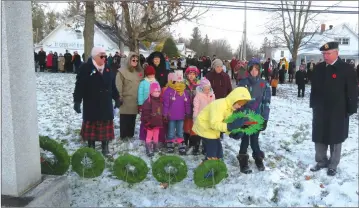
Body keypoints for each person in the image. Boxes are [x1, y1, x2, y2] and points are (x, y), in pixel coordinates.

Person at [310, 42, 358, 176]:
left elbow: (352, 91)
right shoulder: (319, 68)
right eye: (324, 53)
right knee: (319, 135)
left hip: (338, 110)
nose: (325, 56)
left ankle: (333, 164)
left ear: (337, 53)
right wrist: (313, 104)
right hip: (320, 109)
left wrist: (351, 109)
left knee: (335, 137)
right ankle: (321, 161)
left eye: (328, 53)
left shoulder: (346, 69)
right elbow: (314, 88)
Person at [73, 47, 121, 155]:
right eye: (101, 56)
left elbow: (112, 86)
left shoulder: (108, 69)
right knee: (92, 125)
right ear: (94, 56)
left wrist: (117, 98)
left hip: (105, 103)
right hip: (91, 103)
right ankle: (91, 147)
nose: (104, 58)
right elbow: (79, 86)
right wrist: (77, 101)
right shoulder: (85, 68)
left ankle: (105, 147)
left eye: (105, 56)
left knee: (105, 125)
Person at [192, 87, 252, 160]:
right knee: (213, 154)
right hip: (205, 128)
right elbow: (214, 124)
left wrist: (232, 133)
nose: (239, 107)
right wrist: (230, 126)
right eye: (239, 104)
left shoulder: (229, 108)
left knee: (218, 153)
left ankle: (214, 167)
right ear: (234, 99)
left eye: (241, 105)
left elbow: (224, 124)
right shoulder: (220, 105)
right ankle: (208, 169)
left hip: (212, 130)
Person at [236, 63, 271, 173]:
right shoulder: (243, 83)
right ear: (249, 70)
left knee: (255, 140)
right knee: (245, 139)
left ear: (259, 71)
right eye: (252, 69)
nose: (254, 71)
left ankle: (258, 158)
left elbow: (266, 102)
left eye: (256, 69)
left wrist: (265, 118)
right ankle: (243, 160)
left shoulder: (264, 84)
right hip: (245, 116)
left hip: (257, 117)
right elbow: (237, 100)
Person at [116, 52, 144, 139]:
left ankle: (130, 134)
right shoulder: (122, 71)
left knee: (132, 118)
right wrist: (119, 96)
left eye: (136, 60)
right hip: (126, 99)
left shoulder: (140, 71)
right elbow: (118, 85)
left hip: (135, 99)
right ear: (129, 60)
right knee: (125, 118)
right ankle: (124, 135)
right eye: (133, 60)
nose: (135, 61)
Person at [162, 70, 191, 154]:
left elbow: (187, 103)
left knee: (180, 130)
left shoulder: (184, 92)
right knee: (171, 130)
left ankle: (180, 143)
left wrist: (188, 112)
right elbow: (166, 104)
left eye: (180, 81)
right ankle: (170, 142)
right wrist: (165, 113)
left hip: (181, 115)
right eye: (176, 81)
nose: (178, 83)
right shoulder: (169, 91)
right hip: (171, 115)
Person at [192, 78, 215, 155]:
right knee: (198, 134)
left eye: (208, 89)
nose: (207, 91)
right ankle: (196, 147)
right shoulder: (198, 96)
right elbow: (196, 107)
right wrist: (195, 116)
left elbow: (214, 106)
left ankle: (205, 148)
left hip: (208, 118)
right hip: (200, 118)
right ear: (202, 89)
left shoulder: (212, 95)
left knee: (206, 134)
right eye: (205, 89)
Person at [141, 82, 163, 157]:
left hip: (157, 123)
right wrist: (147, 122)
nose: (157, 93)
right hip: (150, 124)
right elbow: (145, 113)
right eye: (155, 91)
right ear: (151, 92)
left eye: (158, 91)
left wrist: (162, 118)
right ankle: (148, 148)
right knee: (149, 136)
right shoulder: (148, 102)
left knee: (156, 135)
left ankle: (155, 147)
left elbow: (160, 111)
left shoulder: (159, 100)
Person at [138, 65, 159, 141]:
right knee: (145, 120)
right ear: (147, 74)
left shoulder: (156, 82)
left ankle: (153, 136)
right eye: (150, 74)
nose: (151, 76)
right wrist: (140, 104)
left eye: (152, 74)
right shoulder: (143, 82)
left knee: (153, 120)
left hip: (154, 106)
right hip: (145, 105)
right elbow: (140, 93)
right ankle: (143, 135)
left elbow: (158, 92)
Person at [183, 66, 200, 151]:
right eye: (190, 74)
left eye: (193, 74)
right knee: (186, 126)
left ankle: (194, 144)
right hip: (186, 109)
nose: (191, 76)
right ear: (186, 75)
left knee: (194, 127)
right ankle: (185, 142)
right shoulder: (183, 84)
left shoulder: (199, 85)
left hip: (195, 110)